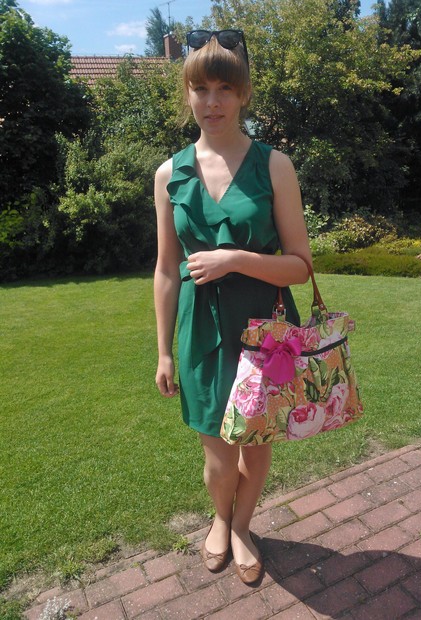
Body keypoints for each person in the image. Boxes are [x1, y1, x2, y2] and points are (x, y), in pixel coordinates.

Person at [154, 29, 312, 585]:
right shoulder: (169, 173)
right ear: (188, 94)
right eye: (201, 88)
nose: (213, 101)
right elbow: (166, 269)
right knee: (219, 456)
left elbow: (300, 265)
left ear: (243, 94)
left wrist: (235, 259)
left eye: (225, 88)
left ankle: (242, 527)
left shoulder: (274, 165)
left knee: (256, 444)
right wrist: (164, 352)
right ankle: (220, 518)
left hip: (264, 329)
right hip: (200, 331)